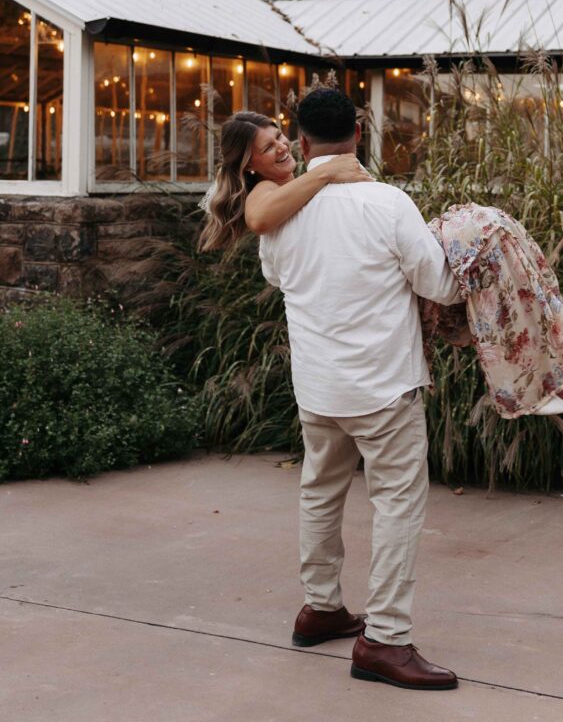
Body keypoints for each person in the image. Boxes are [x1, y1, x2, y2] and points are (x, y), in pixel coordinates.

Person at [200, 96, 463, 691]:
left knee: (320, 491)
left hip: (319, 388)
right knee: (397, 503)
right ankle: (386, 640)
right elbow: (439, 285)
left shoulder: (276, 209)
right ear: (360, 129)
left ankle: (320, 607)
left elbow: (277, 276)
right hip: (383, 386)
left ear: (301, 137)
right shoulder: (386, 201)